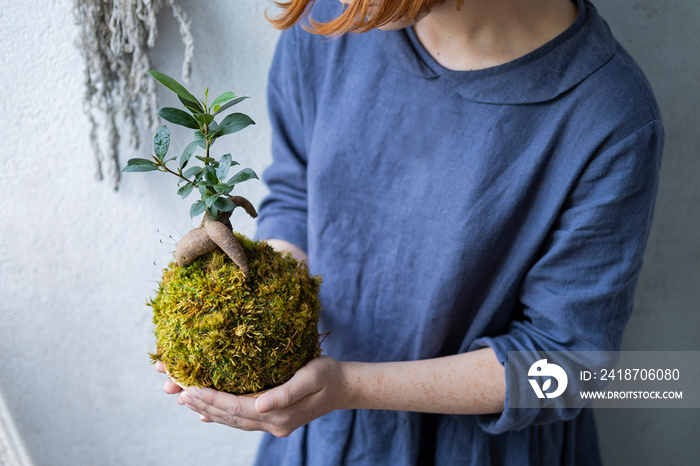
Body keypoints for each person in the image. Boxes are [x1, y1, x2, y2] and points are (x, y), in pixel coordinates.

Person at [158, 0, 664, 464]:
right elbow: (296, 194)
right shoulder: (333, 18)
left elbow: (566, 360)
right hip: (324, 436)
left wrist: (348, 387)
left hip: (481, 449)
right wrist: (248, 305)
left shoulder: (609, 116)